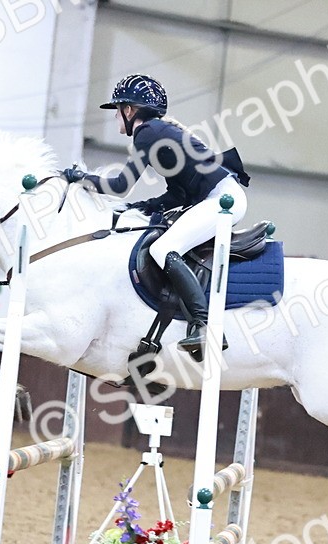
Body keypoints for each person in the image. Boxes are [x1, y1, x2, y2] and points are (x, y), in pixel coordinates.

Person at [62, 74, 249, 360]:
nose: (116, 119)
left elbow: (120, 186)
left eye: (117, 111)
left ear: (129, 110)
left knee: (164, 248)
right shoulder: (157, 133)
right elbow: (176, 195)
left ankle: (205, 325)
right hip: (218, 198)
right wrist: (136, 208)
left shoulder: (147, 133)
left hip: (223, 201)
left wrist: (80, 178)